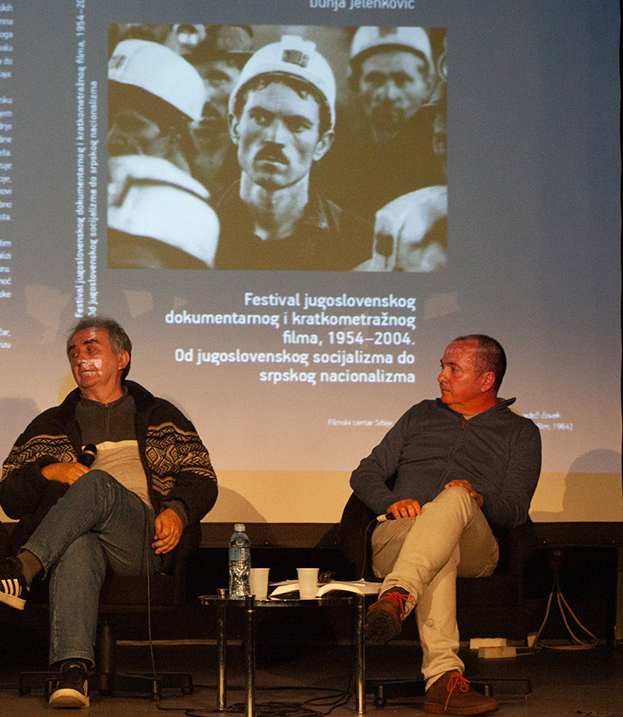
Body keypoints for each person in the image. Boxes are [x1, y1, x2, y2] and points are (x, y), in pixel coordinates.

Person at [0, 317, 217, 708]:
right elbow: (9, 496)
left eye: (91, 348)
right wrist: (48, 471)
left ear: (122, 358)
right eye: (73, 352)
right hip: (77, 538)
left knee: (96, 484)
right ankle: (73, 672)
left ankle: (21, 570)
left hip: (142, 539)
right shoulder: (50, 425)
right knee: (78, 545)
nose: (80, 358)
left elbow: (201, 476)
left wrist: (179, 511)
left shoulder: (162, 417)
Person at [350, 335, 541, 715]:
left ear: (486, 380)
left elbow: (516, 508)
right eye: (442, 366)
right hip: (401, 534)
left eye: (453, 369)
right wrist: (390, 503)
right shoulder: (420, 415)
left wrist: (479, 499)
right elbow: (366, 472)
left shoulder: (520, 432)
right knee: (440, 550)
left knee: (454, 499)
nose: (441, 376)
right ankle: (443, 680)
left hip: (475, 544)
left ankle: (398, 595)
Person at [214, 35, 372, 271]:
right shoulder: (194, 226)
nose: (275, 138)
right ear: (235, 127)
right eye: (260, 118)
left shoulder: (359, 246)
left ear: (322, 144)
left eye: (297, 125)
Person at [106, 39, 219, 269]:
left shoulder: (199, 210)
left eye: (132, 125)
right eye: (109, 123)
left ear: (174, 132)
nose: (112, 138)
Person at [317, 27, 443, 223]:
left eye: (402, 80)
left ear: (427, 84)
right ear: (355, 84)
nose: (388, 95)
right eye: (375, 79)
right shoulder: (338, 156)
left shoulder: (442, 157)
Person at [185, 25, 254, 199]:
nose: (203, 98)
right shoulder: (159, 155)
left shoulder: (258, 163)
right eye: (190, 79)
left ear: (245, 90)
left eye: (218, 79)